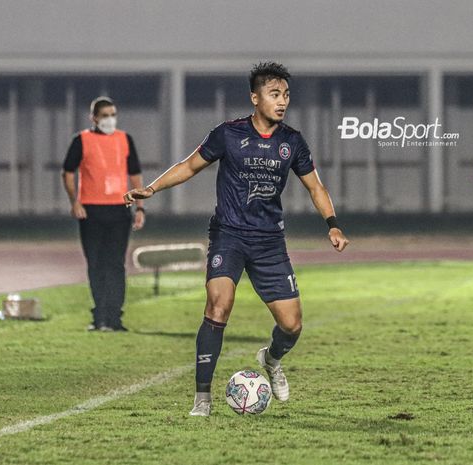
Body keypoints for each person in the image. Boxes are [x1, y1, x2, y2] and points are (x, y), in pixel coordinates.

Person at [124, 62, 349, 416]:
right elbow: (188, 165)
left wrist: (332, 224)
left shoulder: (292, 142)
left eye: (286, 95)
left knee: (292, 325)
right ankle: (202, 398)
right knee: (217, 306)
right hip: (228, 235)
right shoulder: (228, 134)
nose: (282, 101)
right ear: (255, 98)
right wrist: (152, 188)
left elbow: (315, 187)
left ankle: (271, 360)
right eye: (275, 94)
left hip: (269, 243)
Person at [62, 96, 146, 332]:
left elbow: (135, 174)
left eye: (113, 114)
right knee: (96, 264)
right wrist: (74, 202)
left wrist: (140, 207)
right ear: (94, 118)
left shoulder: (124, 139)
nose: (110, 119)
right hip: (91, 211)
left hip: (119, 210)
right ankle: (99, 316)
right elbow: (68, 172)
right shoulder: (82, 140)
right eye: (105, 115)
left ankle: (115, 317)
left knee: (116, 264)